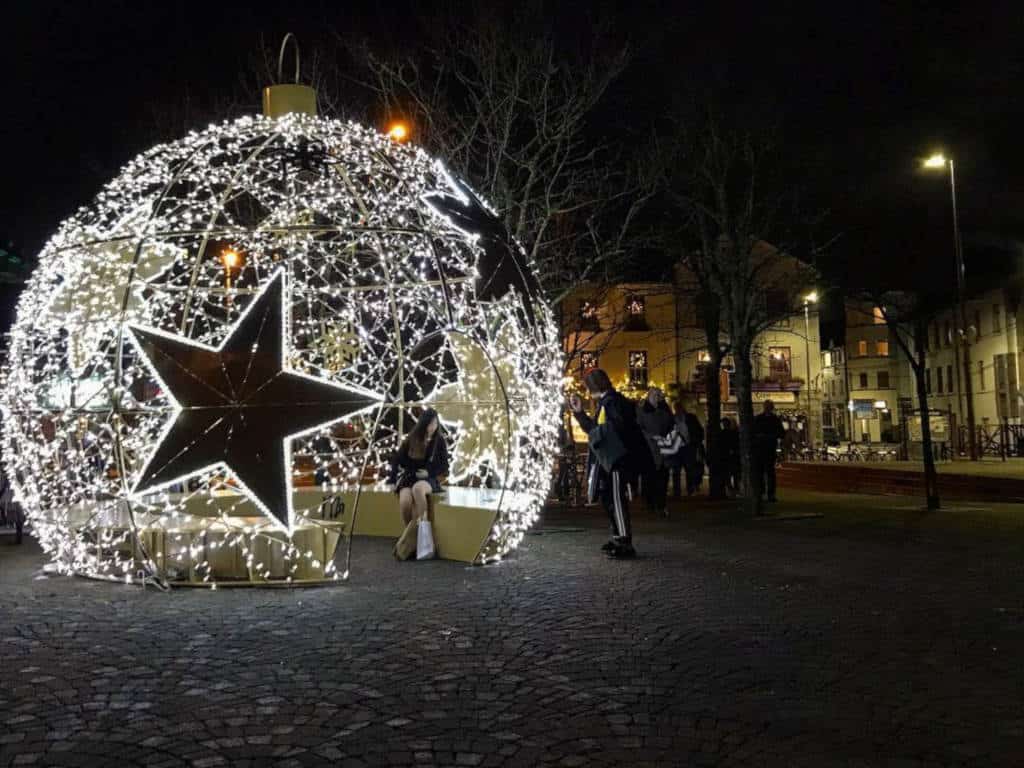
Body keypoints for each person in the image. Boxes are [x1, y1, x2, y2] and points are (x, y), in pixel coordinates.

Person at [569, 368, 652, 558]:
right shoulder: (610, 402)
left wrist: (594, 434)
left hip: (616, 460)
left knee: (616, 499)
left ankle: (624, 541)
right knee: (609, 499)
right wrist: (580, 413)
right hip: (613, 460)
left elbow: (609, 428)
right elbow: (599, 429)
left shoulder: (611, 402)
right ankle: (618, 536)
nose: (588, 391)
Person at [388, 408, 449, 526]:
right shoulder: (412, 438)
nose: (433, 427)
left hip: (428, 479)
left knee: (418, 489)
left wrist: (429, 473)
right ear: (424, 423)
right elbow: (397, 459)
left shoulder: (439, 441)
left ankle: (424, 529)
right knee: (405, 502)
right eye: (430, 424)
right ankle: (411, 532)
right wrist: (392, 480)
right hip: (410, 477)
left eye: (435, 423)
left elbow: (444, 466)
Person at [637, 387, 674, 518]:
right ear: (649, 396)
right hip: (649, 450)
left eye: (658, 395)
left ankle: (660, 504)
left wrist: (667, 438)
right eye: (654, 395)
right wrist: (650, 436)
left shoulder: (664, 410)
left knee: (662, 479)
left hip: (663, 449)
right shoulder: (642, 411)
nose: (656, 397)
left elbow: (671, 425)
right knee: (650, 478)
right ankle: (650, 504)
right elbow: (639, 428)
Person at [753, 400, 786, 504]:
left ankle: (769, 494)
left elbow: (781, 433)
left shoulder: (773, 419)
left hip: (768, 448)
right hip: (762, 449)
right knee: (763, 472)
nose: (767, 408)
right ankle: (763, 492)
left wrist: (770, 437)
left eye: (768, 406)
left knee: (768, 472)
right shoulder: (760, 419)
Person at [675, 403, 705, 495]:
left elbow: (699, 431)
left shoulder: (690, 418)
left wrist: (695, 442)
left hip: (688, 446)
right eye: (676, 408)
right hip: (677, 448)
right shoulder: (673, 419)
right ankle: (678, 491)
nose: (678, 410)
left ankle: (690, 489)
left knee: (689, 469)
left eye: (679, 408)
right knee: (677, 470)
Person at [718, 417, 740, 496]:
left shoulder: (722, 433)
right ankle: (734, 489)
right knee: (733, 473)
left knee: (729, 474)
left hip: (727, 456)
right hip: (731, 456)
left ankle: (732, 489)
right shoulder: (734, 433)